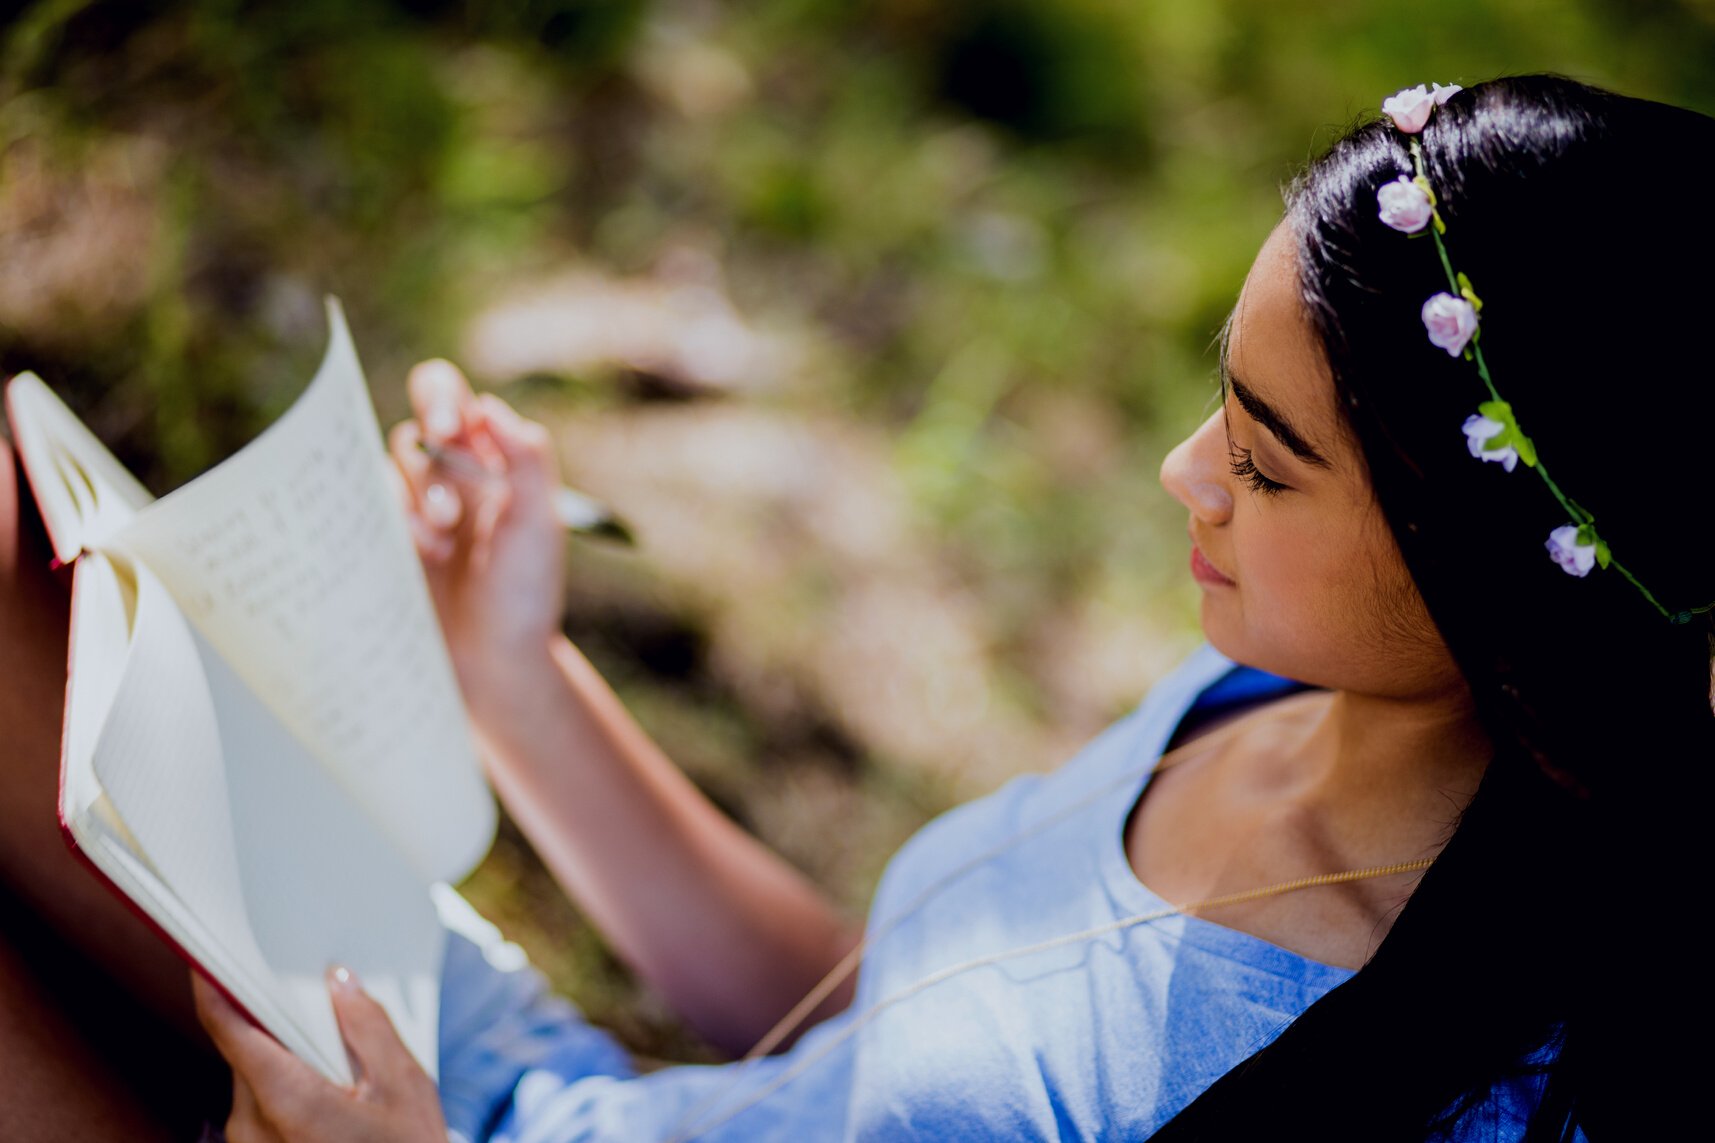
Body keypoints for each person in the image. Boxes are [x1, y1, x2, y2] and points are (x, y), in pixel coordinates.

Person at [3, 72, 1710, 1140]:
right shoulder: (1265, 698)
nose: (1186, 475)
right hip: (526, 1077)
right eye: (1224, 399)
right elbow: (879, 1024)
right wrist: (515, 678)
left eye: (1266, 466)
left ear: (1490, 575)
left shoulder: (1451, 1092)